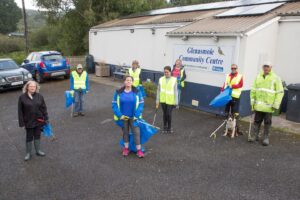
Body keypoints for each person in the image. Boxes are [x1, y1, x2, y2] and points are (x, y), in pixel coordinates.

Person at [248, 62, 284, 146]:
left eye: (268, 67)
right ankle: (255, 136)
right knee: (256, 121)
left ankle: (266, 138)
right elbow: (253, 90)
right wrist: (252, 103)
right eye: (265, 66)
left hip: (269, 107)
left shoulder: (275, 78)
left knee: (267, 122)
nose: (266, 68)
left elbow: (280, 92)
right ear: (262, 67)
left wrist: (276, 104)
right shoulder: (258, 77)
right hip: (259, 106)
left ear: (271, 67)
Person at [112, 76, 145, 158]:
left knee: (136, 133)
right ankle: (126, 148)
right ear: (124, 82)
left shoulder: (137, 92)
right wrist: (120, 115)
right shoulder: (118, 92)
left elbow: (141, 104)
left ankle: (139, 150)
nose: (129, 81)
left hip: (134, 117)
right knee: (125, 133)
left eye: (130, 80)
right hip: (123, 117)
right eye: (127, 80)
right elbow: (114, 104)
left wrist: (137, 115)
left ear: (132, 82)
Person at [18, 81, 49, 161]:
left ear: (36, 87)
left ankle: (38, 151)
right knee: (29, 137)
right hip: (28, 121)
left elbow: (43, 108)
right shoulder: (22, 97)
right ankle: (28, 153)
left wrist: (46, 118)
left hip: (39, 120)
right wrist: (21, 123)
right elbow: (20, 111)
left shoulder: (40, 96)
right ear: (27, 87)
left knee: (37, 135)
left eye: (34, 86)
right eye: (31, 86)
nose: (32, 88)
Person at [221, 64, 243, 134]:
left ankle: (236, 130)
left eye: (234, 68)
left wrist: (232, 86)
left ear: (237, 69)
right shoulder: (228, 75)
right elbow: (225, 84)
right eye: (232, 68)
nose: (233, 69)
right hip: (228, 96)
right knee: (226, 113)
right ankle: (226, 128)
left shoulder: (240, 76)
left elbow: (240, 85)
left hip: (235, 97)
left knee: (235, 114)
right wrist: (222, 90)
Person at [156, 66, 178, 133]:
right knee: (164, 114)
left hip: (170, 100)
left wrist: (176, 101)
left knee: (169, 114)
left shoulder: (174, 79)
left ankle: (169, 127)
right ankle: (165, 127)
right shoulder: (161, 79)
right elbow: (158, 90)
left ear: (170, 72)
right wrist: (157, 100)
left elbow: (175, 91)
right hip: (163, 100)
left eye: (167, 72)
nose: (166, 73)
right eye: (164, 72)